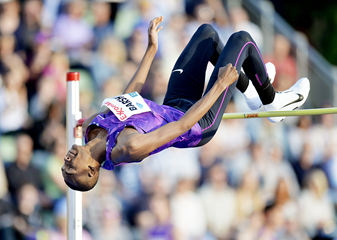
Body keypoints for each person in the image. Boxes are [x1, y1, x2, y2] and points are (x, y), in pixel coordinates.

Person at [62, 16, 310, 192]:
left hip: (173, 103)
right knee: (242, 39)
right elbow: (181, 126)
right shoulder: (128, 147)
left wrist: (150, 50)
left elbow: (129, 97)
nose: (67, 162)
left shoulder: (91, 128)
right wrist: (219, 87)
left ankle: (250, 91)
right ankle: (272, 101)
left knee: (207, 35)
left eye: (64, 166)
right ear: (92, 171)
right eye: (71, 170)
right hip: (198, 123)